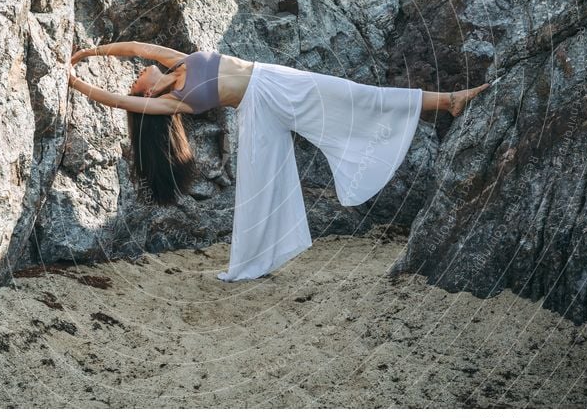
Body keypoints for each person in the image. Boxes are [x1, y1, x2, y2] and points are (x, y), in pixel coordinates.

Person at [68, 41, 491, 281]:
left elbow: (135, 46)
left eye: (134, 76)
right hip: (257, 106)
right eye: (134, 83)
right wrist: (75, 82)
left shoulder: (174, 62)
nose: (135, 73)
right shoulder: (170, 104)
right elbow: (116, 99)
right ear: (144, 94)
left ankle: (448, 102)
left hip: (273, 77)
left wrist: (90, 53)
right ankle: (255, 260)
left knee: (354, 95)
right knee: (260, 184)